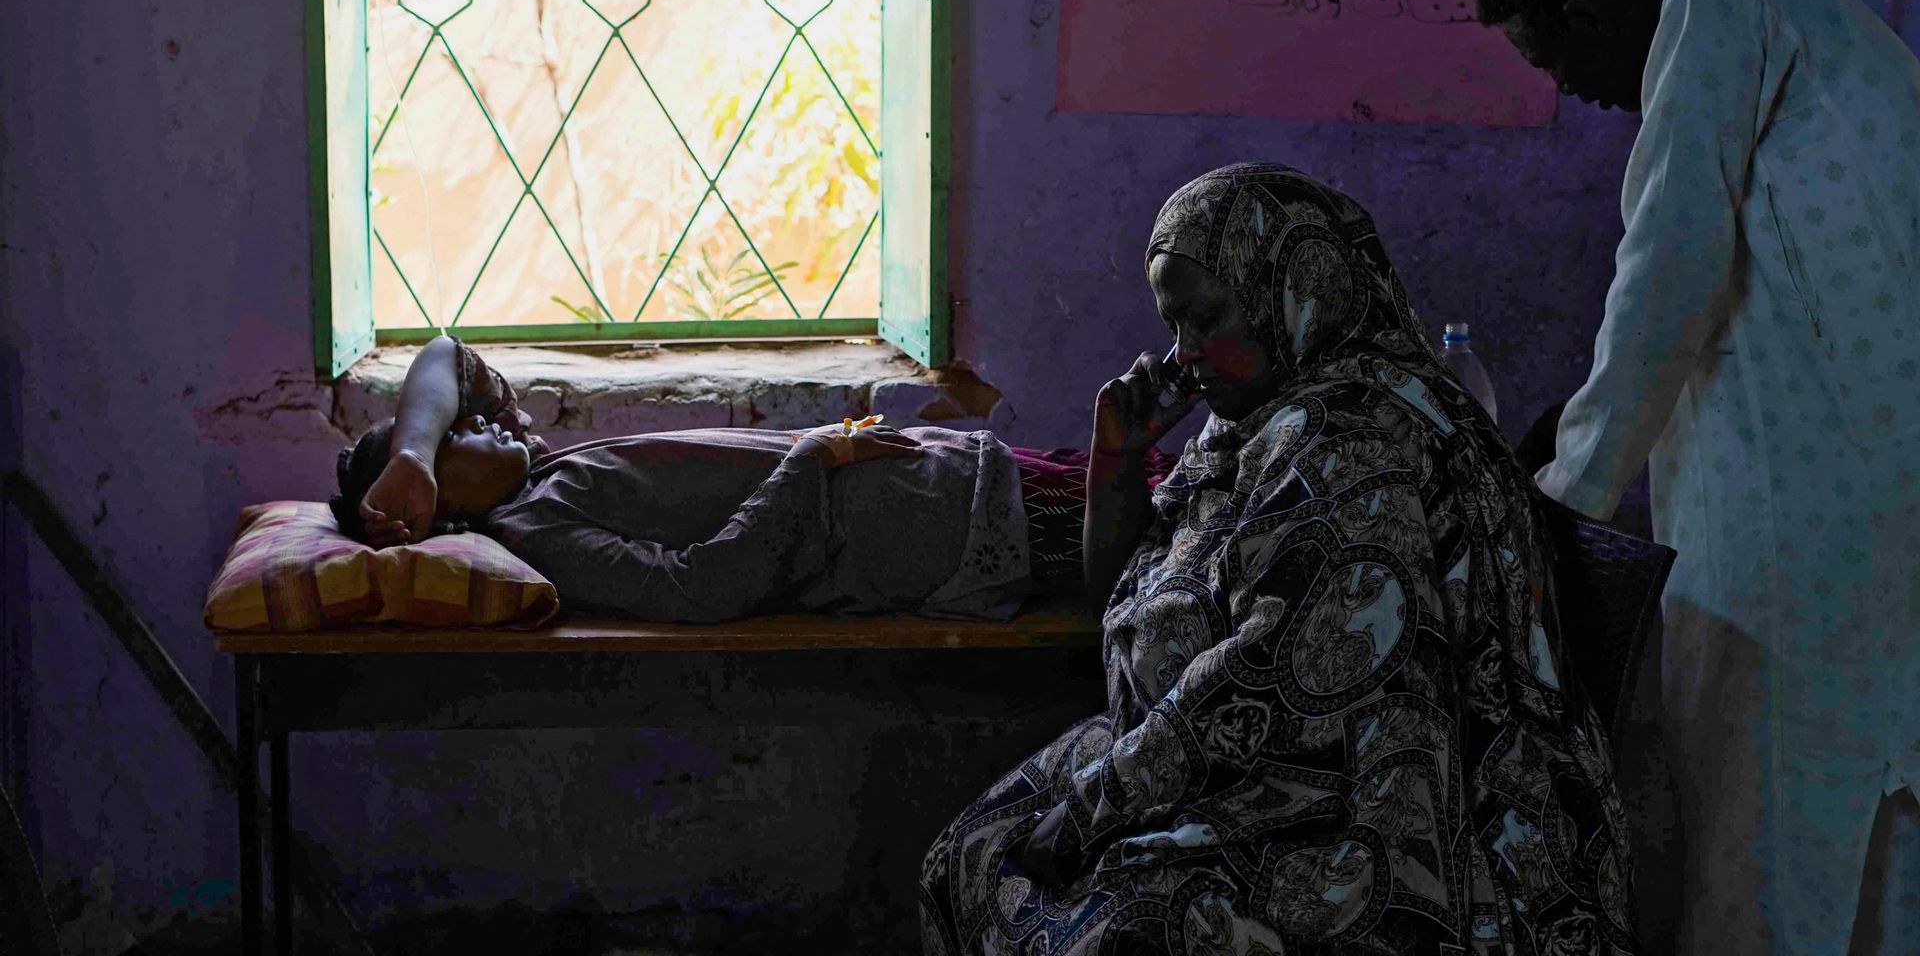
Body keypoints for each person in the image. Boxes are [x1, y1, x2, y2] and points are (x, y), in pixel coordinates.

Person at [919, 163, 1638, 954]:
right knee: (972, 851)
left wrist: (1096, 805)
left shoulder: (1355, 445)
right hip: (1261, 773)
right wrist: (1117, 461)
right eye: (1172, 326)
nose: (1183, 353)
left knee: (1113, 922)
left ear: (1295, 288)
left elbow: (1268, 690)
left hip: (1395, 814)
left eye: (1205, 318)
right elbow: (1124, 608)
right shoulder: (1255, 426)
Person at [1477, 0, 1920, 953]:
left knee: (1764, 835)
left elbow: (1667, 266)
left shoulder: (1714, 2)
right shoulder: (1805, 16)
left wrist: (1560, 505)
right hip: (1864, 500)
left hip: (1804, 527)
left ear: (1586, 13)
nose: (1568, 92)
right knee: (1868, 829)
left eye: (1549, 60)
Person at [332, 335, 1052, 622]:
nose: (472, 420)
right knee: (1144, 534)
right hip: (927, 530)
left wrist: (414, 456)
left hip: (941, 481)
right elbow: (697, 588)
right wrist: (812, 460)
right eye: (455, 432)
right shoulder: (537, 529)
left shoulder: (532, 473)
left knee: (1151, 505)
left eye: (443, 427)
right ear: (440, 514)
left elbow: (447, 355)